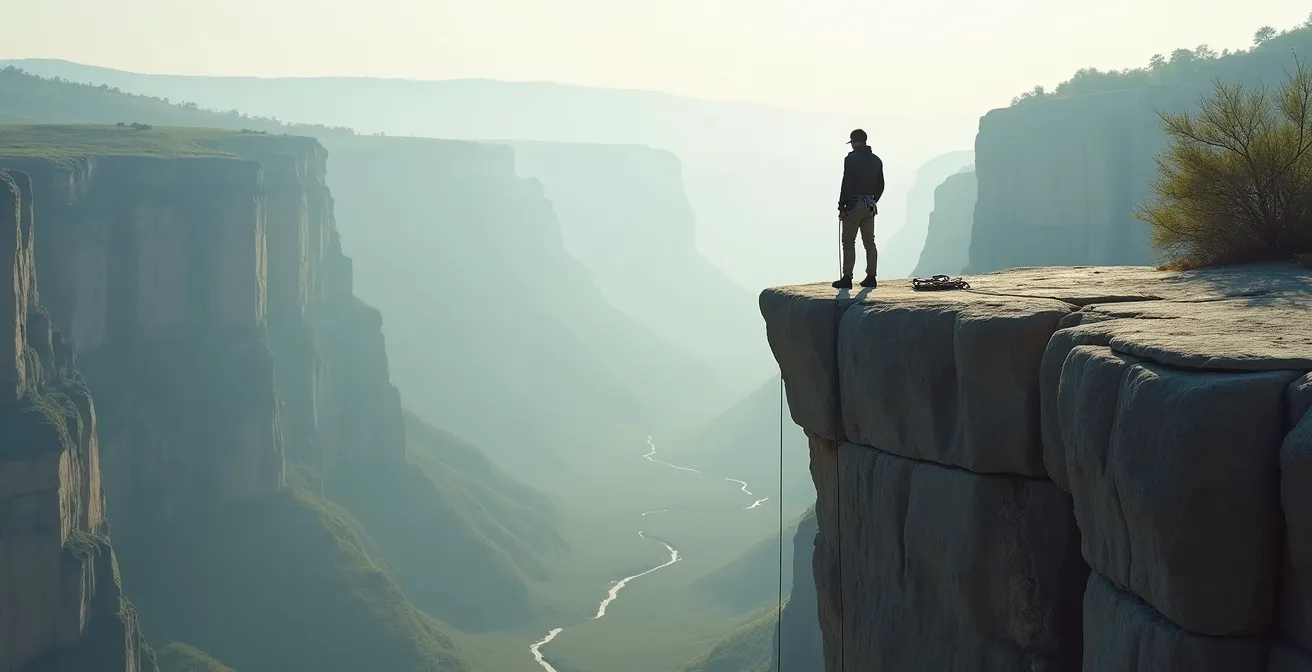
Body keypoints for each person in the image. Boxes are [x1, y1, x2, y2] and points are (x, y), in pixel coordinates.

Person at [833, 128, 885, 289]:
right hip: (870, 205)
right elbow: (881, 185)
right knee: (869, 242)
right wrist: (873, 200)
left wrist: (842, 206)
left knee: (848, 242)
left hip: (854, 204)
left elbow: (846, 183)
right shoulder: (876, 160)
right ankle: (871, 276)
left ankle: (847, 278)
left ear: (854, 142)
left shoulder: (851, 159)